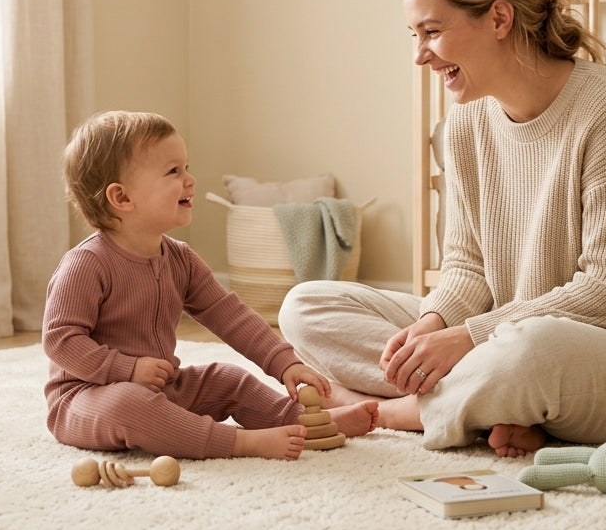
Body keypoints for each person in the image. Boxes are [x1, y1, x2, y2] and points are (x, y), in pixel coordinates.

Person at [279, 0, 606, 458]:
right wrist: (430, 330)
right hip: (502, 335)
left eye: (431, 31)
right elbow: (467, 269)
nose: (420, 56)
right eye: (413, 34)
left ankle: (389, 411)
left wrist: (471, 338)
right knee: (305, 305)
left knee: (528, 354)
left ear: (500, 19)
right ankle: (496, 406)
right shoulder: (464, 126)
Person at [43, 110, 378, 461]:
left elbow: (230, 316)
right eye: (174, 171)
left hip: (161, 387)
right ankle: (238, 442)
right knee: (132, 404)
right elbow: (60, 340)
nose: (190, 180)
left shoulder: (180, 259)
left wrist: (285, 364)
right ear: (122, 198)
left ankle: (299, 420)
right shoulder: (87, 263)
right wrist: (126, 371)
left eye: (186, 167)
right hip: (87, 398)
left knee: (227, 378)